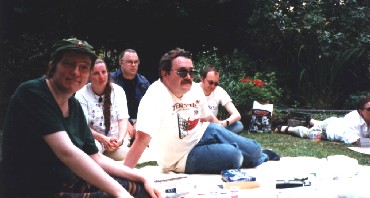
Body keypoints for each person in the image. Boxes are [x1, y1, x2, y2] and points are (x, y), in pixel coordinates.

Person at [1, 38, 162, 198]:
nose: (76, 72)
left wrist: (141, 176)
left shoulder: (73, 105)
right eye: (68, 63)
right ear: (52, 66)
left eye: (83, 67)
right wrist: (119, 192)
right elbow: (66, 152)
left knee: (146, 194)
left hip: (68, 184)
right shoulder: (32, 93)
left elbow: (95, 158)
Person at [124, 48, 278, 174]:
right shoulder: (155, 96)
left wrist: (222, 131)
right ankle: (248, 155)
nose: (188, 77)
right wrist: (121, 177)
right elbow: (142, 139)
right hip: (180, 157)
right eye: (182, 72)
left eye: (191, 72)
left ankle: (257, 155)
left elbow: (209, 118)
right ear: (165, 74)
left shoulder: (194, 90)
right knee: (234, 157)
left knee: (254, 149)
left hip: (203, 133)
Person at [274, 96, 370, 146]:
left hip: (337, 121)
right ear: (361, 111)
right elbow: (354, 141)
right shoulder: (353, 118)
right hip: (331, 129)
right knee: (310, 133)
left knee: (317, 126)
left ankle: (312, 121)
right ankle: (286, 128)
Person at [75, 59, 130, 161]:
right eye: (96, 73)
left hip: (115, 139)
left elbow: (123, 119)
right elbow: (83, 126)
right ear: (89, 76)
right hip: (94, 139)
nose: (101, 76)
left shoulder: (118, 91)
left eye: (104, 72)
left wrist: (120, 140)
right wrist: (103, 139)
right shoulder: (81, 94)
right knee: (92, 152)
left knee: (125, 155)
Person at [110, 49, 150, 145]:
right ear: (121, 62)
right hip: (117, 120)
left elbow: (150, 106)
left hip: (139, 119)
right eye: (129, 62)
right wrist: (126, 122)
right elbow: (107, 105)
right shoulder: (111, 80)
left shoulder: (143, 82)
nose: (133, 65)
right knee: (123, 141)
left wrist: (139, 122)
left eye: (136, 62)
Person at [198, 66, 244, 134]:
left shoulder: (219, 90)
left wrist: (224, 123)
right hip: (198, 128)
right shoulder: (193, 89)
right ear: (202, 79)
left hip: (214, 127)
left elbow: (237, 115)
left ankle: (218, 138)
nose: (213, 86)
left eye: (216, 83)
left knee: (238, 125)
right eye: (210, 82)